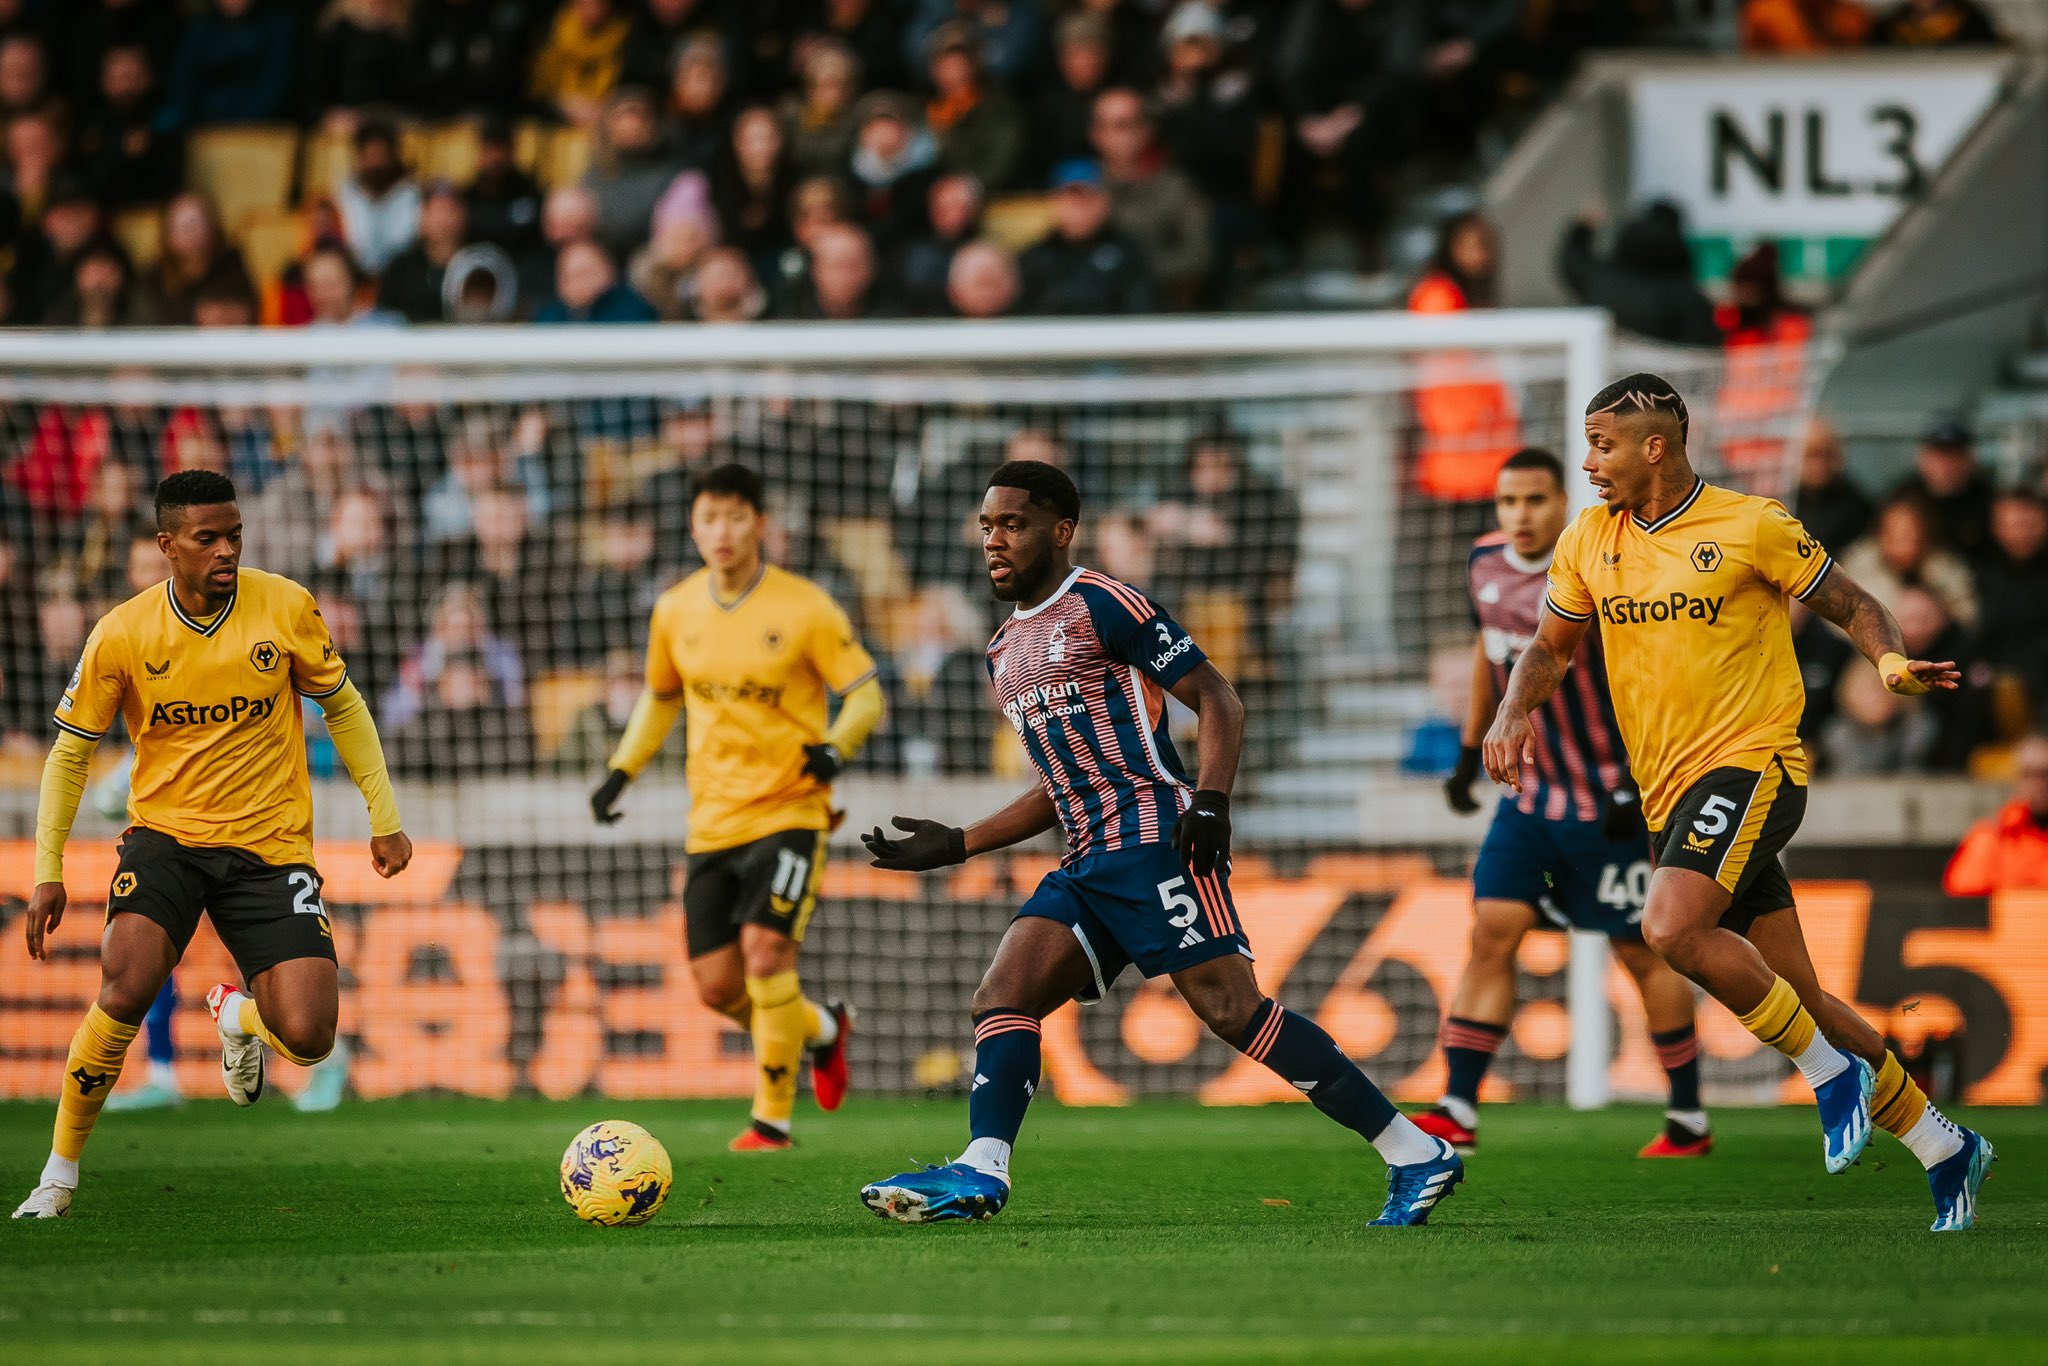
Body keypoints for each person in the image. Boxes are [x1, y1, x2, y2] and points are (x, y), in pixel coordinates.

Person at [858, 460, 1464, 1228]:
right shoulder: (1003, 648)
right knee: (1003, 994)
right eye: (987, 526)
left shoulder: (1103, 604)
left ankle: (1416, 1151)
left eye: (1012, 523)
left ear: (1060, 529)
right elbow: (1058, 781)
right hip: (1083, 857)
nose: (995, 541)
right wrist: (960, 842)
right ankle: (983, 1171)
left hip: (1152, 837)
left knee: (1232, 1010)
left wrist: (1211, 801)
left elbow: (1219, 698)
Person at [1484, 374, 1991, 1232]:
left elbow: (1852, 601)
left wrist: (1888, 661)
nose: (1588, 462)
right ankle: (1946, 1147)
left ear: (1655, 447)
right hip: (1667, 795)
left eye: (1602, 444)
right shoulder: (1587, 540)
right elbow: (1550, 647)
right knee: (1803, 997)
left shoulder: (1751, 524)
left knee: (1671, 929)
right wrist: (1511, 707)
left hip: (1754, 767)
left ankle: (1830, 1077)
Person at [15, 470, 411, 1219]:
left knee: (310, 1035)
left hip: (271, 848)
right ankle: (59, 1174)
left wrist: (382, 815)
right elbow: (69, 753)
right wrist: (48, 870)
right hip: (166, 839)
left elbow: (345, 707)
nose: (226, 551)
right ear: (168, 546)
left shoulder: (286, 606)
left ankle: (239, 1017)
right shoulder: (124, 634)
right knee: (124, 985)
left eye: (234, 535)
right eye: (207, 539)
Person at [590, 463, 884, 1152]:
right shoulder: (675, 610)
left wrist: (835, 749)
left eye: (734, 517)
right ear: (693, 528)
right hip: (712, 822)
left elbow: (866, 693)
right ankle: (823, 1028)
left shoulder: (806, 607)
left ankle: (770, 1123)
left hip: (791, 813)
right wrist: (620, 771)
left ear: (761, 524)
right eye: (707, 519)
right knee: (718, 988)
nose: (720, 532)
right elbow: (662, 698)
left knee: (766, 954)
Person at [1430, 449, 1709, 1159]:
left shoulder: (1603, 566)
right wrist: (1469, 749)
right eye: (1508, 502)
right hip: (1531, 798)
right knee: (1491, 932)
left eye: (1534, 500)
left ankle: (1687, 1117)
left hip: (1614, 802)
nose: (1519, 516)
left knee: (1644, 955)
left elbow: (1652, 670)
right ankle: (1458, 1105)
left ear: (1564, 503)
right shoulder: (1484, 563)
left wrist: (1634, 781)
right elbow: (1485, 650)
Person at [1558, 203, 1722, 347]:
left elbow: (1573, 262)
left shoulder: (1600, 277)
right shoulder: (1690, 301)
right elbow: (1702, 349)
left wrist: (1583, 228)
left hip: (1604, 379)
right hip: (1666, 379)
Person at [1019, 158, 1154, 316]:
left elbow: (1143, 311)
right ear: (1054, 203)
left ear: (1105, 202)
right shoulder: (1035, 257)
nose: (1079, 211)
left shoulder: (1129, 253)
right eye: (1071, 200)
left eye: (1088, 200)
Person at [1944, 734, 2048, 895]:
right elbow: (1964, 902)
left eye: (2045, 774)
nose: (2040, 784)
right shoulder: (1991, 838)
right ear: (2016, 780)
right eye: (2030, 775)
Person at [1891, 416, 1993, 561]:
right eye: (1939, 455)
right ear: (1922, 457)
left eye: (1955, 455)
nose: (1946, 464)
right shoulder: (1902, 497)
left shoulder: (1989, 502)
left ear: (1970, 458)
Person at [1793, 418, 1873, 554]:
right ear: (1795, 457)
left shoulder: (1856, 506)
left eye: (1828, 454)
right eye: (1813, 454)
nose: (1820, 464)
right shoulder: (1782, 502)